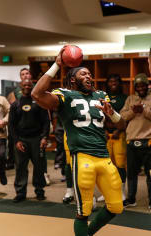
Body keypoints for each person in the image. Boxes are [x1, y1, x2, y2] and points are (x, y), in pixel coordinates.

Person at [31, 47, 125, 236]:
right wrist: (56, 65)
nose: (89, 76)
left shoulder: (101, 95)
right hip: (83, 158)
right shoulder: (64, 94)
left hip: (104, 157)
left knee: (116, 207)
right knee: (84, 211)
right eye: (84, 74)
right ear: (73, 79)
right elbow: (37, 94)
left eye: (90, 74)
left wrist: (111, 113)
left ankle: (87, 234)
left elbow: (122, 124)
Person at [120, 73, 151, 211]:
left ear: (147, 85)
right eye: (137, 86)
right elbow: (122, 116)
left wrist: (145, 111)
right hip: (132, 141)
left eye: (143, 85)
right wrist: (133, 111)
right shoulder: (131, 99)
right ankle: (131, 199)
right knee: (131, 174)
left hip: (150, 141)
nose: (140, 88)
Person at [9, 79, 49, 202]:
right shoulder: (15, 104)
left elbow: (46, 121)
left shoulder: (39, 102)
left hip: (37, 139)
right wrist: (16, 141)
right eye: (24, 85)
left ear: (32, 87)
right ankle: (20, 193)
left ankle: (39, 191)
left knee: (39, 166)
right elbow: (11, 125)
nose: (27, 86)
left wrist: (44, 137)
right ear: (21, 87)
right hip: (21, 140)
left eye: (29, 85)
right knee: (21, 167)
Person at [97, 74, 128, 202]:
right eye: (110, 81)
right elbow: (98, 115)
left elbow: (126, 117)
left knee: (120, 164)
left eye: (116, 81)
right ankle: (107, 192)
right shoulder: (102, 98)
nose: (113, 83)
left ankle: (121, 192)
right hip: (105, 135)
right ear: (107, 84)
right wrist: (103, 130)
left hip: (119, 134)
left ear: (120, 83)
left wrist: (118, 129)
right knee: (107, 165)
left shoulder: (125, 98)